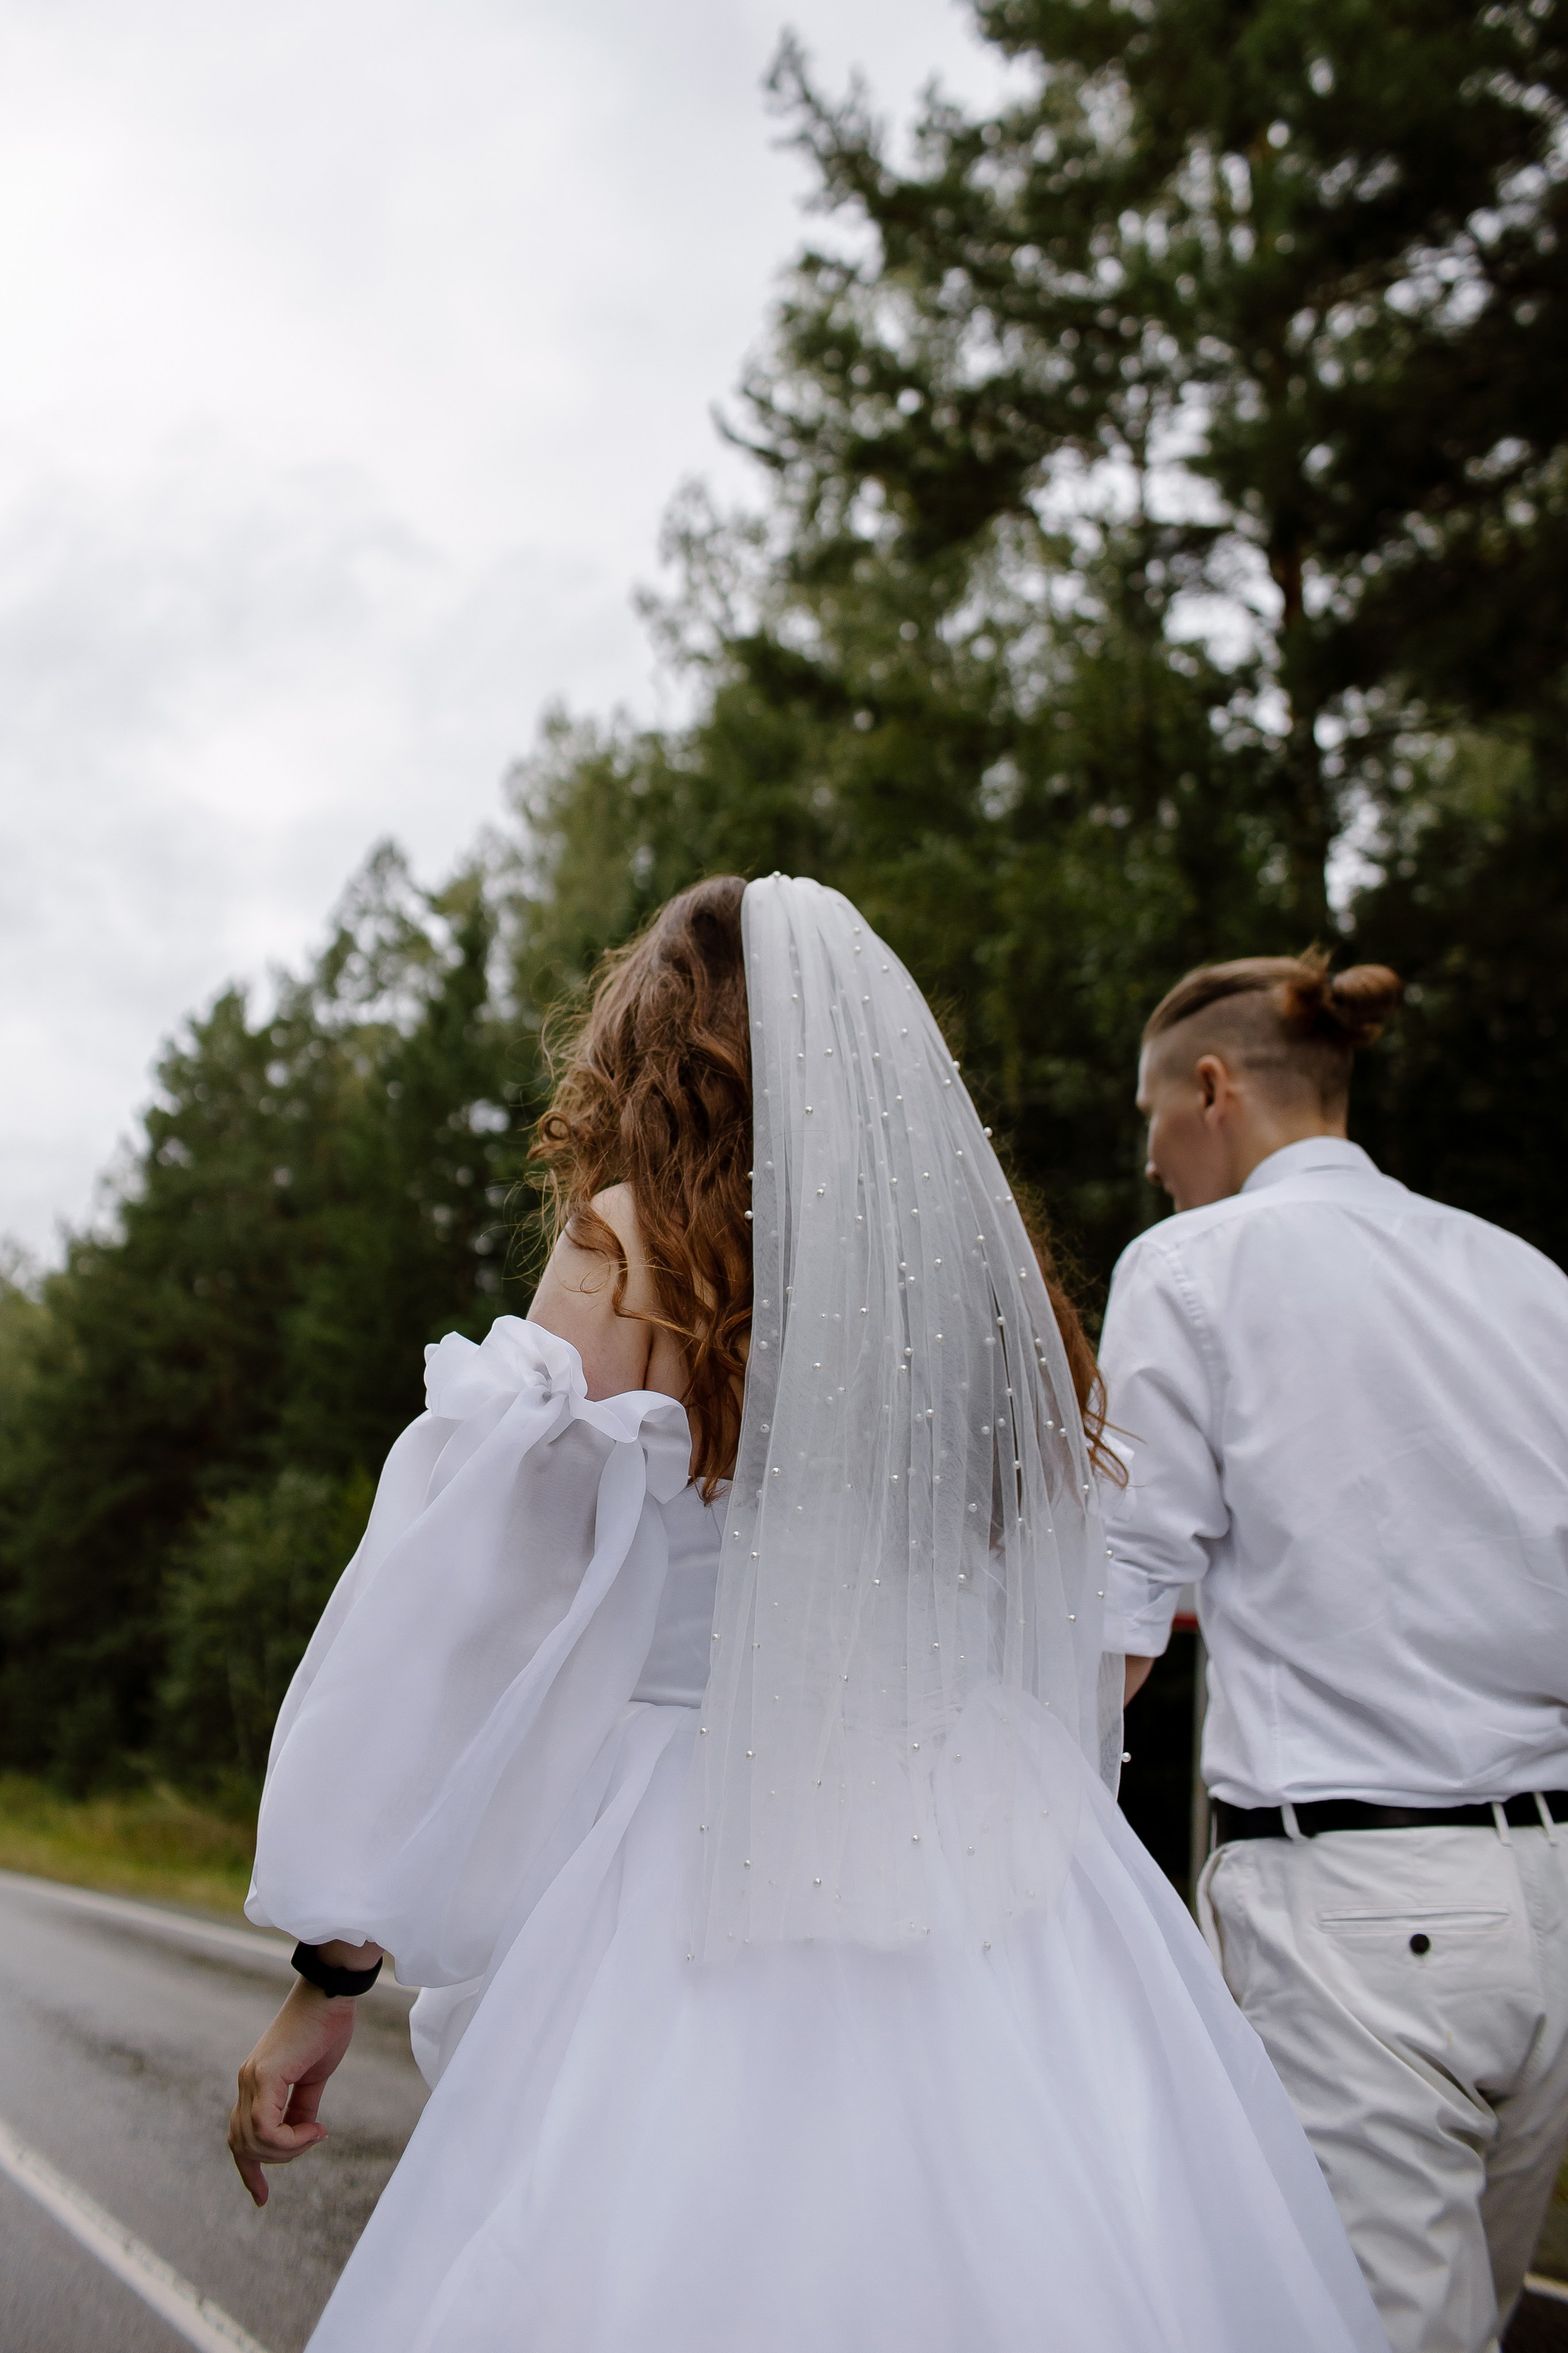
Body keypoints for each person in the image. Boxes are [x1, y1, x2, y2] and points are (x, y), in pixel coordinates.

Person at [227, 878, 1384, 2353]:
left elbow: (466, 1612)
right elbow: (1050, 1580)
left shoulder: (630, 1245)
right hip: (998, 1854)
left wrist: (334, 1965)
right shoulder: (967, 1288)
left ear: (656, 1050)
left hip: (696, 1842)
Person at [1102, 949, 1568, 2353]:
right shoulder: (1527, 1277)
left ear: (1211, 1087)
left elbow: (1116, 1606)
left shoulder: (1188, 1269)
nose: (1148, 1164)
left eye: (1150, 1124)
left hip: (1357, 1909)